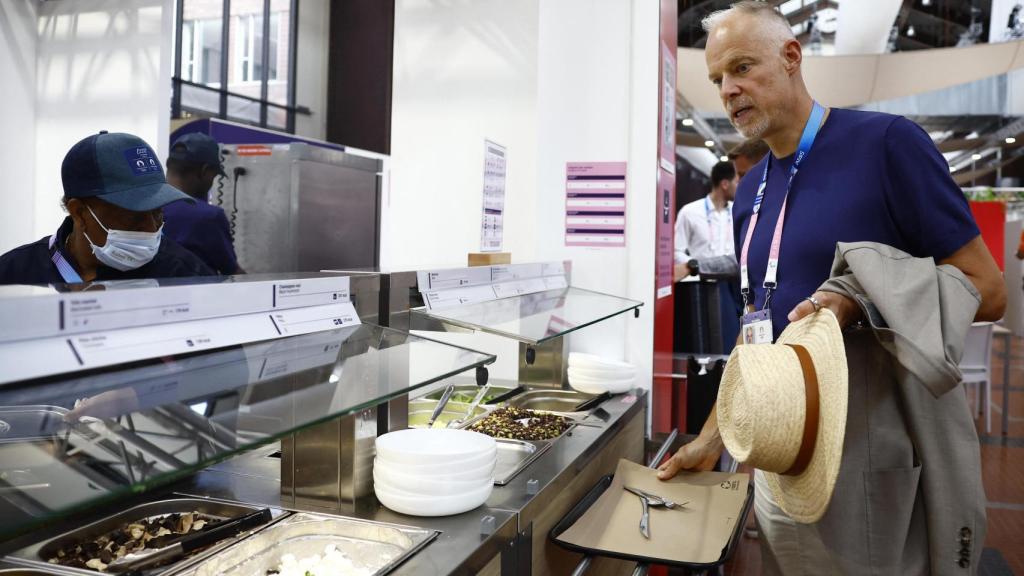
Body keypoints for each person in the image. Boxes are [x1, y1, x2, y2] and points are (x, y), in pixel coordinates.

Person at [656, 2, 1006, 573]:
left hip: (866, 444)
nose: (729, 89)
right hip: (780, 451)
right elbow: (755, 327)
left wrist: (859, 300)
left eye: (743, 67)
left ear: (791, 56)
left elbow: (987, 289)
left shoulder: (888, 146)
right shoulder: (751, 191)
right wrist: (712, 437)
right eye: (719, 78)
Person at [0, 131, 213, 285]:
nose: (151, 229)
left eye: (158, 213)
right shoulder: (15, 274)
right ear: (79, 213)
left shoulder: (185, 275)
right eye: (134, 216)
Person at [163, 133, 244, 275]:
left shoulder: (141, 206)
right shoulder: (208, 216)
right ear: (204, 171)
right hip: (194, 296)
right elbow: (232, 272)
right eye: (213, 176)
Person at [673, 161, 736, 281]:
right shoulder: (689, 212)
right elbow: (676, 251)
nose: (739, 186)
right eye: (736, 182)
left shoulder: (737, 211)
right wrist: (694, 266)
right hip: (701, 284)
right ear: (725, 184)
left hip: (733, 286)